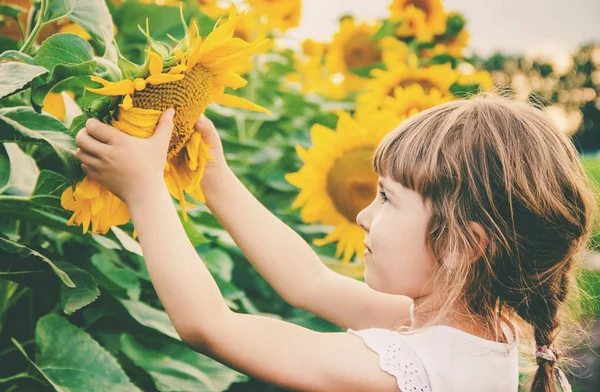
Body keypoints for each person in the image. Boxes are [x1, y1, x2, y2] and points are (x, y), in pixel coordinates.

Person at [74, 92, 597, 391]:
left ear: (465, 245)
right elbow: (308, 282)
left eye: (388, 199)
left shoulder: (403, 373)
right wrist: (215, 179)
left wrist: (144, 191)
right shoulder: (483, 329)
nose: (365, 216)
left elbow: (209, 327)